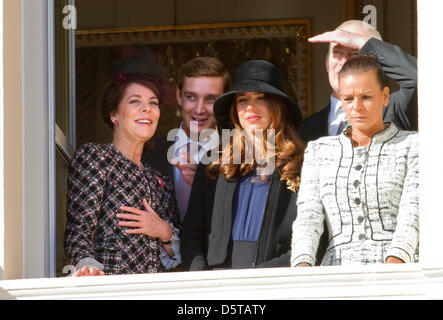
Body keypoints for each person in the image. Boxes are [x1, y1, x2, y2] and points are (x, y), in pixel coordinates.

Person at [291, 55, 419, 267]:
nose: (357, 107)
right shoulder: (318, 150)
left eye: (366, 97)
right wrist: (302, 267)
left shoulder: (413, 145)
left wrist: (395, 266)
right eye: (348, 99)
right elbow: (308, 217)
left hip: (400, 272)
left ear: (385, 96)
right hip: (335, 275)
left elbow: (412, 211)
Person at [181, 60, 305, 270]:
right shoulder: (213, 165)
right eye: (242, 100)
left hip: (277, 283)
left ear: (278, 105)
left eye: (261, 98)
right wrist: (203, 279)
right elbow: (192, 234)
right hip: (217, 287)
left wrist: (262, 279)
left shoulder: (303, 165)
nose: (250, 107)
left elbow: (311, 240)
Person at [64, 60, 181, 276]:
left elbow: (179, 257)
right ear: (114, 114)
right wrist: (87, 267)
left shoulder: (159, 179)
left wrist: (164, 231)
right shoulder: (97, 158)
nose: (147, 108)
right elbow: (78, 231)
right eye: (135, 101)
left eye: (153, 103)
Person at [298, 20, 417, 143]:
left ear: (378, 64)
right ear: (327, 62)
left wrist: (362, 42)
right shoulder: (306, 128)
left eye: (355, 53)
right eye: (337, 53)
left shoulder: (394, 109)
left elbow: (421, 79)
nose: (344, 62)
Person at [142, 57, 231, 224]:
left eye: (210, 99)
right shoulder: (146, 154)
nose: (199, 109)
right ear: (179, 96)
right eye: (191, 97)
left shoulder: (237, 157)